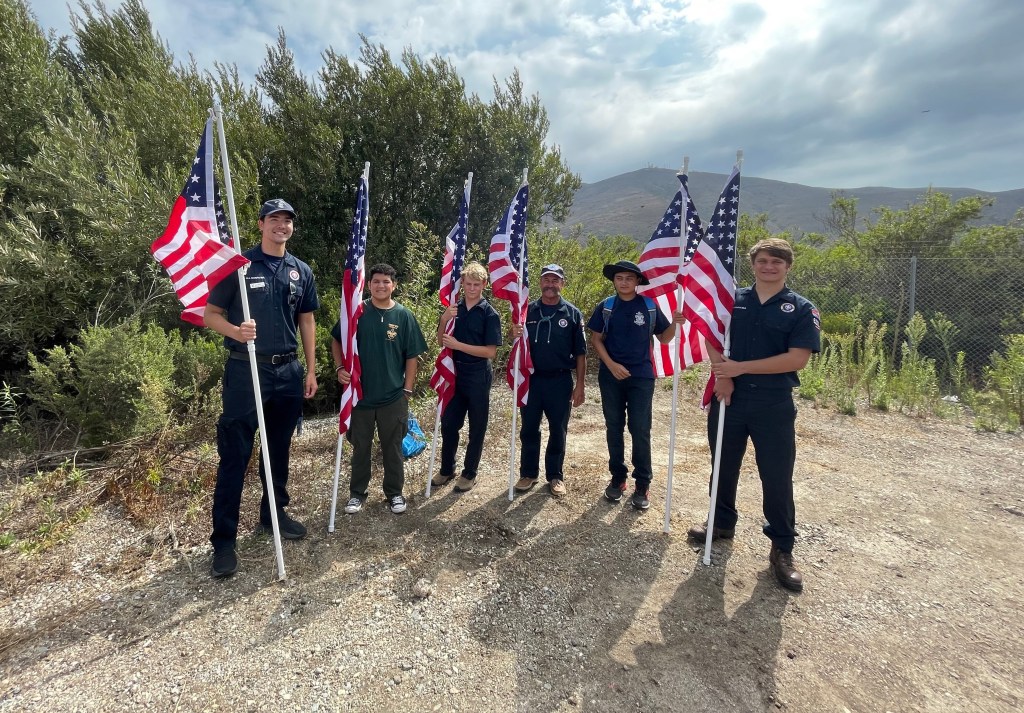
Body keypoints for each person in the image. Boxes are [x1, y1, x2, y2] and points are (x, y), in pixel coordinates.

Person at [687, 238, 821, 593]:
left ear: (787, 266)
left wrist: (740, 368)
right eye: (763, 261)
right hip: (728, 396)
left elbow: (797, 359)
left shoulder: (801, 308)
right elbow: (711, 336)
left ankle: (782, 548)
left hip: (772, 404)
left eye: (776, 261)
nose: (769, 267)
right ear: (753, 264)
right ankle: (721, 523)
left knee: (776, 476)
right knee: (722, 465)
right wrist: (723, 375)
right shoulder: (732, 300)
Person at [203, 198, 319, 579]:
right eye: (274, 219)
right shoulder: (238, 266)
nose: (281, 226)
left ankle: (273, 515)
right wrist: (237, 332)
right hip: (245, 370)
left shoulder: (300, 271)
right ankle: (224, 541)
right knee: (235, 455)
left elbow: (306, 320)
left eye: (287, 220)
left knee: (279, 449)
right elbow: (210, 315)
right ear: (260, 224)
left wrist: (310, 370)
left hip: (287, 372)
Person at [587, 260, 683, 511]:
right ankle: (618, 477)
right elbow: (596, 339)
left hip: (641, 376)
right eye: (619, 278)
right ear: (614, 281)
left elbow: (664, 338)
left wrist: (675, 323)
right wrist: (611, 365)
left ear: (638, 281)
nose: (624, 282)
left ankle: (642, 483)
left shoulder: (648, 306)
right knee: (614, 426)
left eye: (629, 278)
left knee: (640, 428)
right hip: (611, 376)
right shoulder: (606, 306)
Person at [333, 263, 427, 515]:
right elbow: (337, 339)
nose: (381, 285)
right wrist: (340, 367)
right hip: (360, 396)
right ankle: (357, 494)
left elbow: (412, 356)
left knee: (392, 448)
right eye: (376, 281)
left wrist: (407, 390)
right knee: (360, 448)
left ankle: (395, 493)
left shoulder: (404, 315)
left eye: (386, 281)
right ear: (369, 285)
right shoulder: (357, 312)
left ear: (394, 285)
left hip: (393, 397)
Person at [511, 264, 587, 497]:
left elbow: (581, 353)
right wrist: (514, 332)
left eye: (555, 280)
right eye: (546, 280)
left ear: (562, 283)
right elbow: (517, 344)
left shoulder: (572, 314)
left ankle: (555, 475)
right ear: (540, 282)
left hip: (560, 381)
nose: (550, 284)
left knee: (558, 429)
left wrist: (580, 385)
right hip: (532, 381)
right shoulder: (527, 311)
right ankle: (528, 474)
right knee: (529, 429)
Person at [431, 262, 502, 492]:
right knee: (449, 423)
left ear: (484, 284)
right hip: (454, 372)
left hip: (478, 373)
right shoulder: (454, 309)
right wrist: (444, 319)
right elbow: (441, 341)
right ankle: (447, 469)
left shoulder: (489, 314)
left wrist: (459, 345)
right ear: (462, 283)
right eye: (468, 284)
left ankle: (469, 473)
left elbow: (490, 352)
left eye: (476, 284)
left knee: (477, 426)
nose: (471, 288)